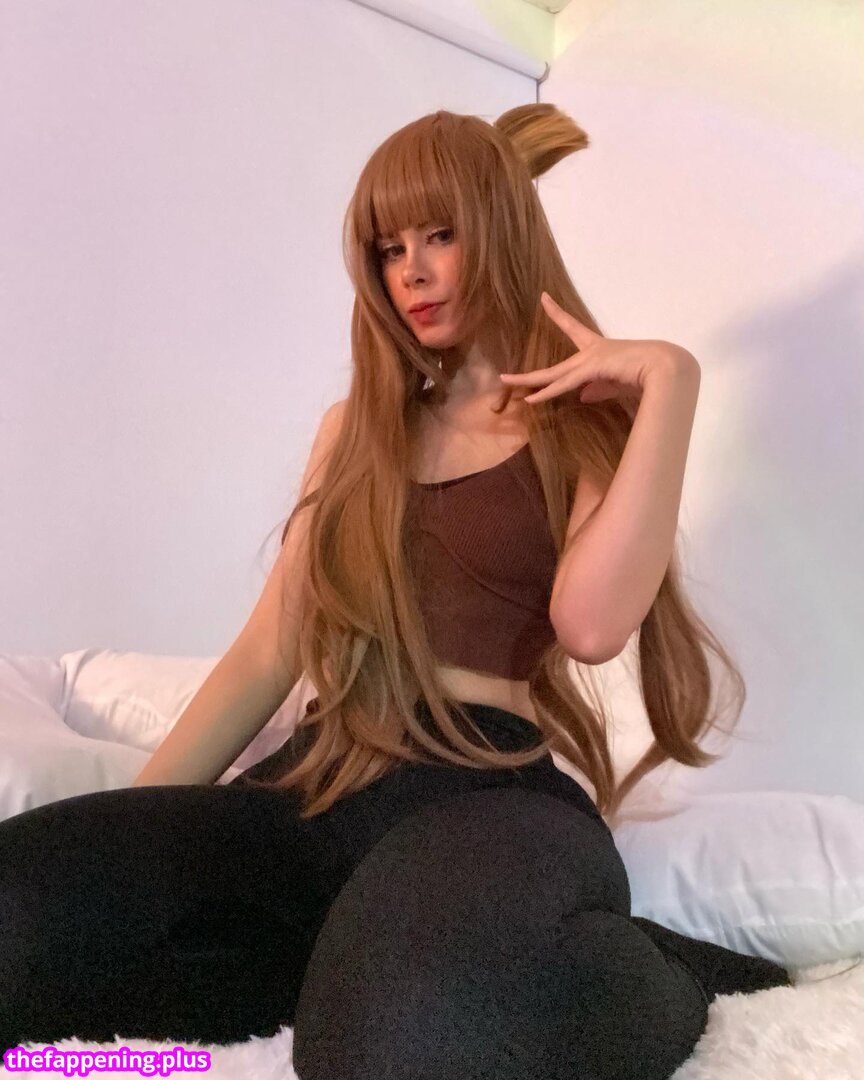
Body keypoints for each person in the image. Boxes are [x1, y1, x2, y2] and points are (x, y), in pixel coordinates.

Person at [0, 105, 791, 1078]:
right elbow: (266, 655)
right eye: (389, 248)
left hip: (488, 800)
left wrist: (670, 384)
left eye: (440, 236)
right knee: (22, 908)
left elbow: (590, 627)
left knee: (390, 1043)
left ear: (502, 230)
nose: (411, 271)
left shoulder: (581, 433)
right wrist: (132, 850)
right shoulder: (353, 432)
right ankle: (328, 956)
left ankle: (660, 969)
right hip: (323, 783)